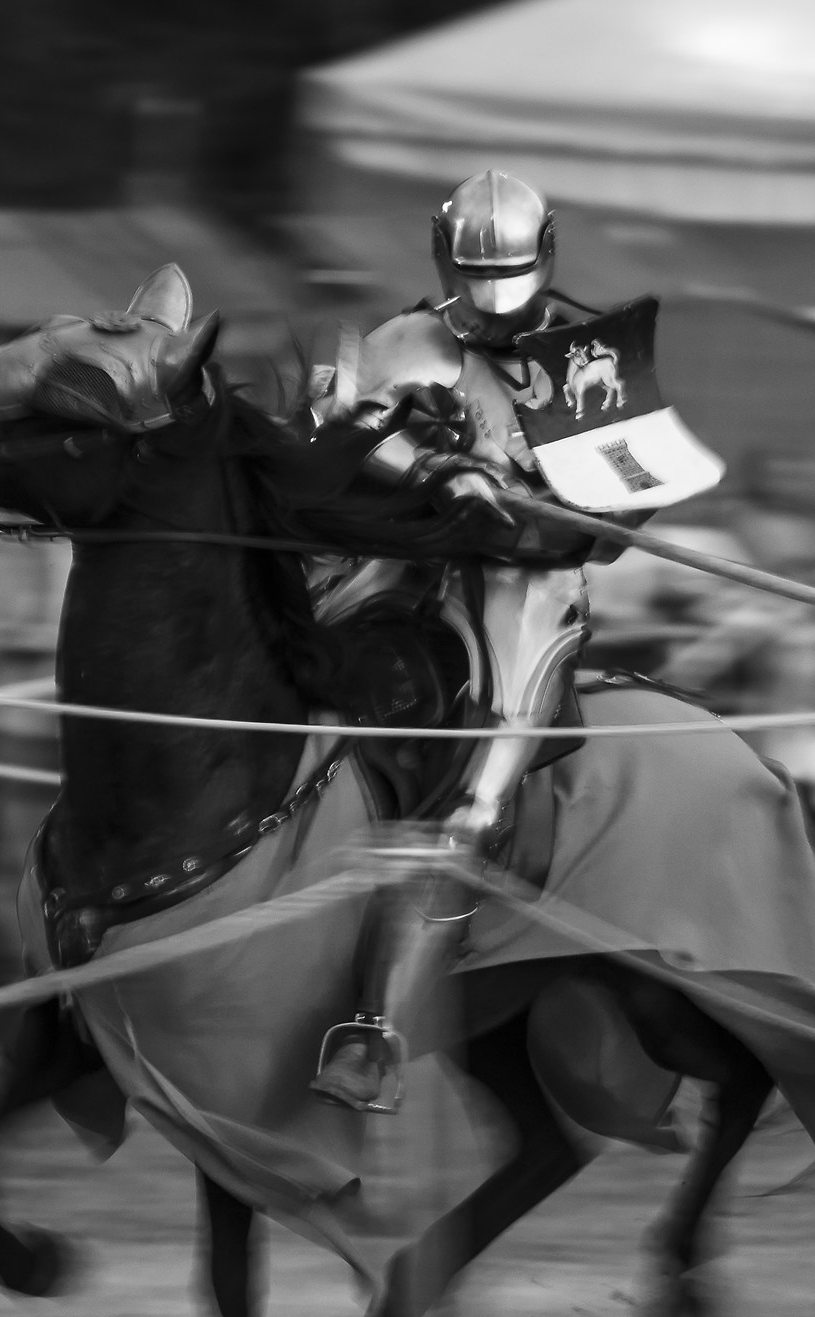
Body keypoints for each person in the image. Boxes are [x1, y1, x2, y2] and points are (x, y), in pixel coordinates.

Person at [305, 169, 620, 1114]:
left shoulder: (590, 357)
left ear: (546, 253)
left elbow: (614, 517)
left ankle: (376, 1029)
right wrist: (426, 466)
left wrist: (527, 506)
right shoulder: (404, 340)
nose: (491, 307)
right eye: (475, 278)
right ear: (445, 257)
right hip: (408, 564)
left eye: (511, 277)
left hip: (525, 588)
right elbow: (339, 449)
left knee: (476, 785)